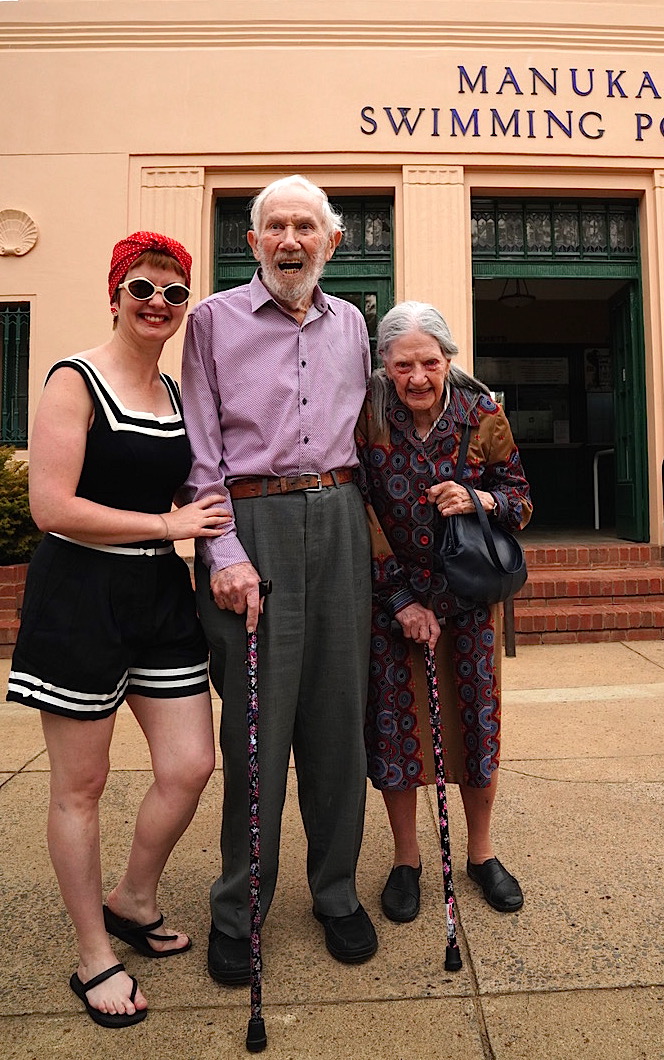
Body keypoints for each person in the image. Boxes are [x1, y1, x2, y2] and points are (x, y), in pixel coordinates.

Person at [7, 232, 231, 1027]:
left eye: (175, 293)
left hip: (159, 599)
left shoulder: (175, 394)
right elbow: (52, 507)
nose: (158, 304)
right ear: (115, 293)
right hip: (81, 596)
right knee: (82, 785)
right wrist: (165, 524)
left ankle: (133, 895)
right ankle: (92, 951)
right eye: (143, 287)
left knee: (190, 764)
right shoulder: (75, 379)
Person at [180, 174, 377, 982]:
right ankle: (240, 905)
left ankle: (335, 892)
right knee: (255, 730)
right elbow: (199, 454)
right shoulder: (210, 323)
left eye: (306, 226)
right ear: (253, 241)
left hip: (339, 519)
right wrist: (223, 558)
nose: (290, 239)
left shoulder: (355, 324)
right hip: (250, 527)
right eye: (275, 226)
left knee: (339, 725)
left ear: (331, 241)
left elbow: (378, 429)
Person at [355, 301, 532, 924]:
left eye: (430, 362)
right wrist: (399, 599)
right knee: (397, 732)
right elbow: (361, 513)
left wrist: (478, 495)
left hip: (469, 599)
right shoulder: (367, 417)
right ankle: (407, 860)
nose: (418, 378)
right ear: (385, 366)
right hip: (394, 600)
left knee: (477, 725)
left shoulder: (482, 413)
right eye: (404, 365)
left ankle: (481, 854)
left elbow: (520, 497)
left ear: (448, 360)